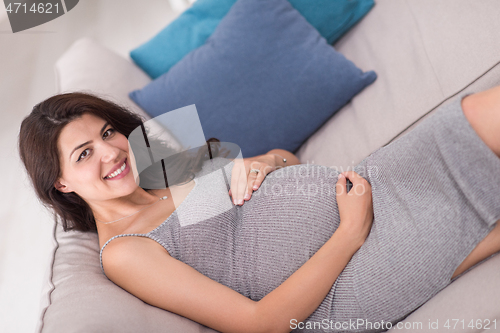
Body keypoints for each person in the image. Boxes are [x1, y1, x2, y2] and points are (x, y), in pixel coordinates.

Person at [18, 87, 500, 333]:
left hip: (365, 187)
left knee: (477, 110)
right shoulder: (124, 252)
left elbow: (291, 161)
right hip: (346, 280)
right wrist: (350, 231)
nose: (110, 153)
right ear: (60, 183)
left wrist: (264, 163)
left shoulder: (158, 160)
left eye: (106, 133)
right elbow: (259, 324)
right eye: (84, 154)